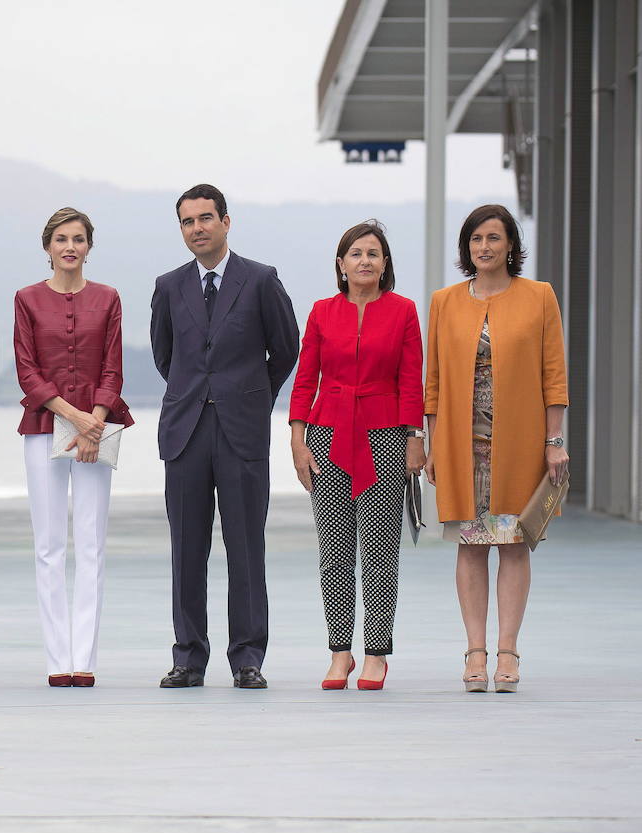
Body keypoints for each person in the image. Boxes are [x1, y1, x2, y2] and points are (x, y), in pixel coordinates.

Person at [150, 183, 299, 690]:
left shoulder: (260, 280)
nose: (198, 229)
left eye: (206, 218)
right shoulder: (168, 286)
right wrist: (196, 394)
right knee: (186, 550)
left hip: (243, 432)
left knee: (245, 549)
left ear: (226, 221)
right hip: (185, 432)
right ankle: (188, 657)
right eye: (188, 222)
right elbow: (165, 356)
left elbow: (286, 349)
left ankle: (247, 659)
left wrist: (255, 396)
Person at [425, 204, 568, 694]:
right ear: (467, 248)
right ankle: (474, 652)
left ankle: (508, 651)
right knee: (470, 546)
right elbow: (435, 382)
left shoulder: (539, 296)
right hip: (462, 445)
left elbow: (554, 376)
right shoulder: (444, 301)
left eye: (494, 238)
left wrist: (554, 442)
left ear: (511, 245)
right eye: (475, 239)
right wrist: (430, 443)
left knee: (512, 543)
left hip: (520, 441)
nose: (484, 247)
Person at [289, 220, 425, 691]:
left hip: (385, 435)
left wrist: (414, 437)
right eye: (356, 253)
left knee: (381, 549)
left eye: (374, 253)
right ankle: (339, 651)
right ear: (341, 264)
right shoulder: (322, 312)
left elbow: (412, 379)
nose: (364, 260)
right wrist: (297, 437)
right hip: (326, 433)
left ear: (385, 263)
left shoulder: (404, 311)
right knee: (334, 551)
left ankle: (377, 653)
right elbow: (305, 379)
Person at [13, 207, 132, 688]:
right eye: (61, 239)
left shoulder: (109, 299)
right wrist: (75, 417)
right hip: (45, 427)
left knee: (92, 544)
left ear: (88, 246)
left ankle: (84, 658)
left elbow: (113, 366)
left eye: (78, 239)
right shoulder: (26, 299)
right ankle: (56, 658)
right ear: (47, 248)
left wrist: (95, 421)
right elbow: (26, 369)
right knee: (48, 546)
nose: (69, 247)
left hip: (97, 432)